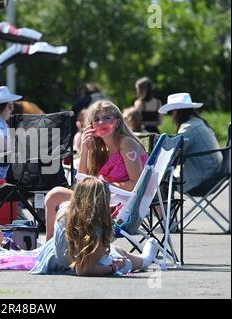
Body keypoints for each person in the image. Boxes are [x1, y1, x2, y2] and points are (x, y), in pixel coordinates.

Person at [44, 100, 148, 240]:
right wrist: (85, 149)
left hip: (122, 205)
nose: (101, 123)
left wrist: (103, 185)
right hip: (105, 198)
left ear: (117, 122)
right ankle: (51, 247)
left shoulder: (126, 143)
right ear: (91, 125)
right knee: (53, 197)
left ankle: (51, 248)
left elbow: (137, 185)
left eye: (106, 118)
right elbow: (82, 182)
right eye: (96, 119)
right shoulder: (99, 148)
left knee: (54, 195)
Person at [30, 177, 158, 275]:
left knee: (112, 250)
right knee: (122, 257)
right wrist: (113, 268)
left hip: (55, 260)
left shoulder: (64, 212)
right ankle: (144, 260)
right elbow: (83, 270)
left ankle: (142, 259)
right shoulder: (96, 229)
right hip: (81, 264)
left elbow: (54, 195)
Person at [159, 93, 222, 192]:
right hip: (214, 174)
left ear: (177, 111)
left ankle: (164, 207)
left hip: (203, 179)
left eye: (170, 112)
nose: (171, 116)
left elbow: (171, 154)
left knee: (159, 180)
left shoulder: (188, 128)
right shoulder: (198, 122)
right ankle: (167, 207)